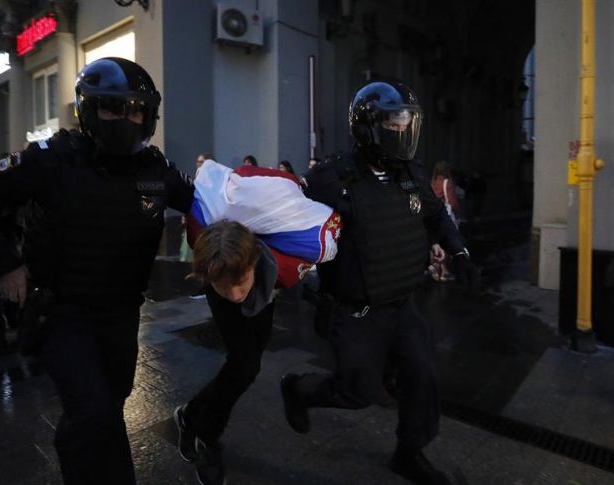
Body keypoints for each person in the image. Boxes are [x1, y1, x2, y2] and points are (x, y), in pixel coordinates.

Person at [0, 57, 193, 485]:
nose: (126, 119)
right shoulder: (52, 159)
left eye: (136, 109)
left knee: (109, 404)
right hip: (62, 312)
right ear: (89, 109)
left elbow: (211, 203)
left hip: (120, 313)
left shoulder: (156, 170)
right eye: (113, 108)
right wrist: (5, 264)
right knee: (93, 409)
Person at [280, 81, 473, 485]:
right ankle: (298, 390)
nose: (401, 131)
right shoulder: (331, 179)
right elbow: (294, 232)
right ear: (368, 126)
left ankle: (409, 451)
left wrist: (458, 251)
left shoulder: (412, 175)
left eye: (406, 123)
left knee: (422, 377)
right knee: (357, 392)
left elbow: (436, 216)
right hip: (355, 313)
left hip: (402, 305)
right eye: (393, 123)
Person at [173, 220, 278, 485]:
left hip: (263, 296)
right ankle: (207, 439)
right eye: (223, 286)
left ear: (254, 263)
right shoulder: (221, 284)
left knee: (247, 365)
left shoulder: (271, 265)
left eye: (240, 283)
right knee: (245, 366)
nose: (233, 294)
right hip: (228, 276)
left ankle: (189, 415)